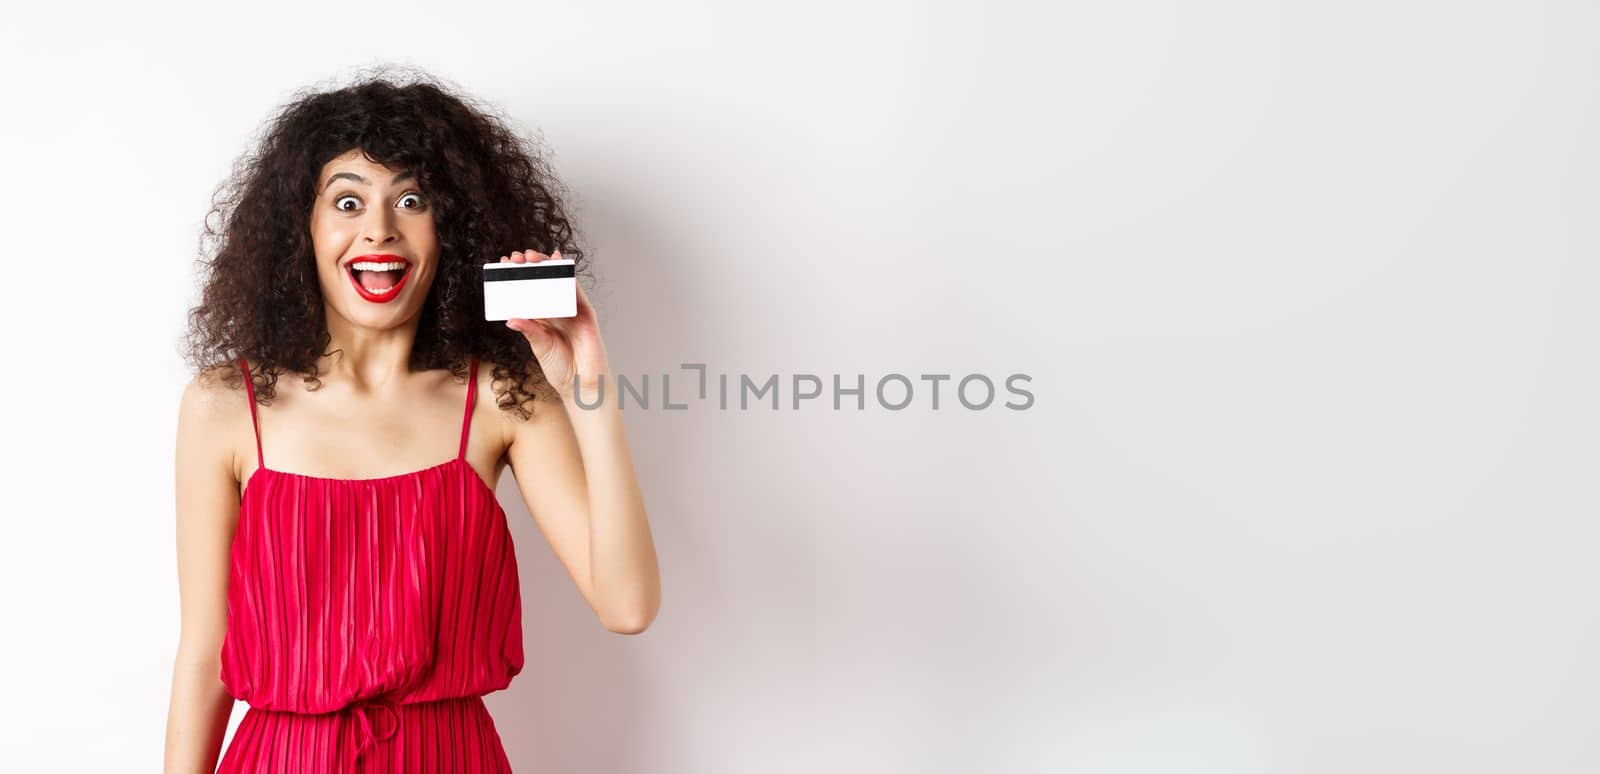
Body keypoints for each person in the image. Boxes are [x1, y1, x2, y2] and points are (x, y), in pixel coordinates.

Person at [162, 68, 661, 772]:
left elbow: (628, 605)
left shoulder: (502, 397)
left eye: (412, 199)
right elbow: (205, 653)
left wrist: (589, 392)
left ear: (449, 228)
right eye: (346, 201)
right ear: (300, 228)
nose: (379, 230)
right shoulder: (224, 406)